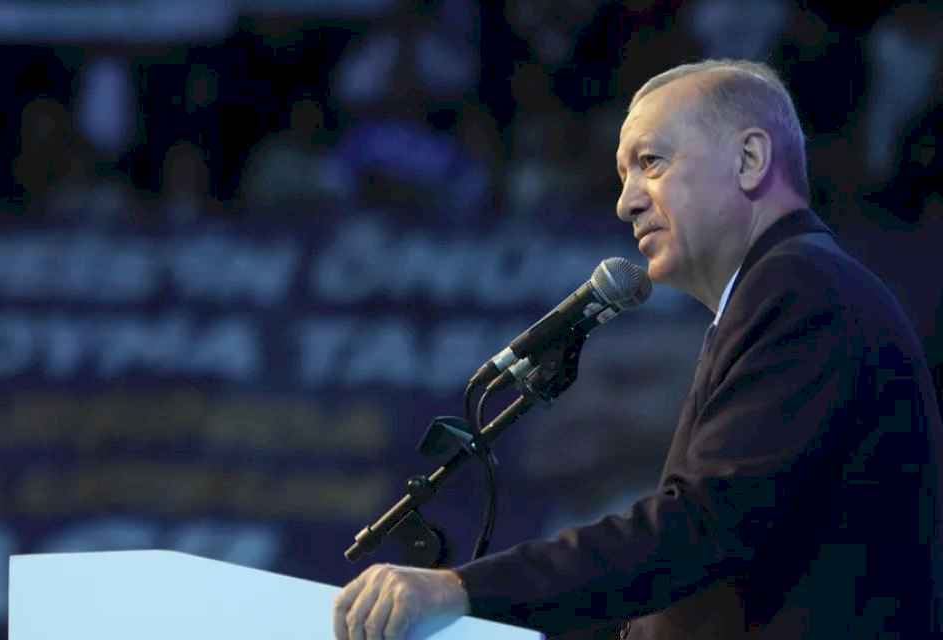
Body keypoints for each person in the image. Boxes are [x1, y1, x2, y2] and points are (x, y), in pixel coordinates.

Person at [333, 58, 943, 640]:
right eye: (625, 176)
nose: (626, 202)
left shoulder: (799, 289)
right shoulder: (788, 287)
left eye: (651, 162)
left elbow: (702, 530)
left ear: (750, 159)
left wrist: (462, 590)